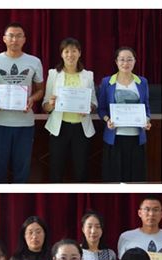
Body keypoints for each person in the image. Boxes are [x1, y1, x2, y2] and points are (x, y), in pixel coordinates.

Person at [0, 22, 44, 183]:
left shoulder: (34, 61)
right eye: (11, 36)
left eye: (18, 36)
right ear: (4, 38)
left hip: (24, 123)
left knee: (22, 169)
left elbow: (40, 90)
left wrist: (32, 99)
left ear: (24, 39)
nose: (14, 39)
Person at [42, 37, 97, 182]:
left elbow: (93, 102)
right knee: (56, 168)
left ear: (79, 53)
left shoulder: (88, 75)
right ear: (61, 54)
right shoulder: (53, 74)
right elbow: (45, 105)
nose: (70, 55)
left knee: (81, 169)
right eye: (66, 51)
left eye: (74, 51)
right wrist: (51, 104)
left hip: (81, 128)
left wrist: (89, 107)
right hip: (59, 127)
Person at [97, 46, 151, 182]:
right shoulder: (107, 82)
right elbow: (101, 109)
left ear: (135, 61)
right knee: (114, 179)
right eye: (122, 60)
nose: (125, 63)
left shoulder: (142, 82)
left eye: (129, 59)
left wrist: (147, 120)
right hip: (114, 137)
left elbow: (146, 107)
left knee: (135, 179)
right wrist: (107, 120)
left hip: (136, 137)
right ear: (116, 62)